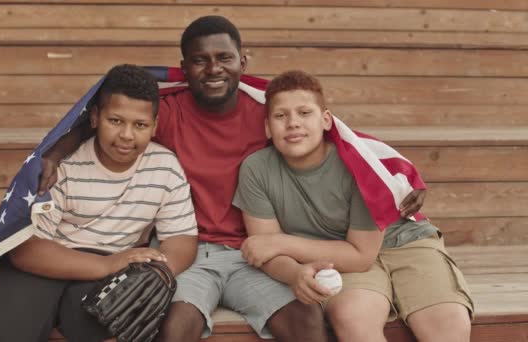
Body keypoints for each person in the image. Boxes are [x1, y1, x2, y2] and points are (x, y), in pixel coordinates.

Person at [40, 16, 425, 341]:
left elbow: (338, 138)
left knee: (308, 321)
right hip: (188, 251)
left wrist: (403, 175)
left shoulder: (264, 113)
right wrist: (54, 155)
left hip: (253, 253)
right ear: (184, 66)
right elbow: (96, 120)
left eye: (224, 57)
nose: (213, 69)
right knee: (174, 327)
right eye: (199, 61)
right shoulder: (168, 113)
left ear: (243, 60)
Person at [0, 64, 198, 342]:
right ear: (95, 117)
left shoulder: (165, 166)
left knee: (118, 321)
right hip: (45, 263)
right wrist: (108, 265)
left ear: (155, 126)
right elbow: (26, 251)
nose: (126, 135)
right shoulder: (61, 165)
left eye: (140, 125)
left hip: (109, 270)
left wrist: (160, 269)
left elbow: (181, 239)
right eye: (116, 121)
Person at [233, 70, 474, 342]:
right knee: (354, 320)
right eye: (280, 116)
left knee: (448, 325)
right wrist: (295, 274)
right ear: (267, 127)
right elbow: (265, 250)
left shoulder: (358, 161)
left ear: (326, 120)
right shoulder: (256, 169)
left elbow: (360, 254)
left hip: (404, 243)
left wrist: (281, 242)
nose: (292, 123)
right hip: (335, 254)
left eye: (304, 113)